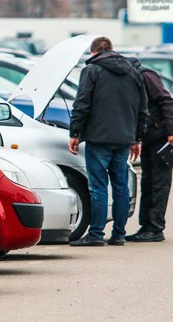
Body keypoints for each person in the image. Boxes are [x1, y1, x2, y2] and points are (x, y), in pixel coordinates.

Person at [68, 37, 148, 247]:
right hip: (124, 139)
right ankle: (119, 234)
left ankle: (95, 234)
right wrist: (137, 138)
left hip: (98, 137)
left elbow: (82, 103)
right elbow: (142, 108)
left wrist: (74, 133)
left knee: (98, 187)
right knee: (121, 185)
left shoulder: (92, 71)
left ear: (94, 53)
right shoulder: (133, 72)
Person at [126, 58, 173, 243]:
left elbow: (166, 100)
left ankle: (156, 228)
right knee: (148, 183)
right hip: (149, 137)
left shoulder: (146, 76)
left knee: (159, 184)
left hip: (162, 138)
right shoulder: (135, 77)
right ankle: (146, 226)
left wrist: (171, 132)